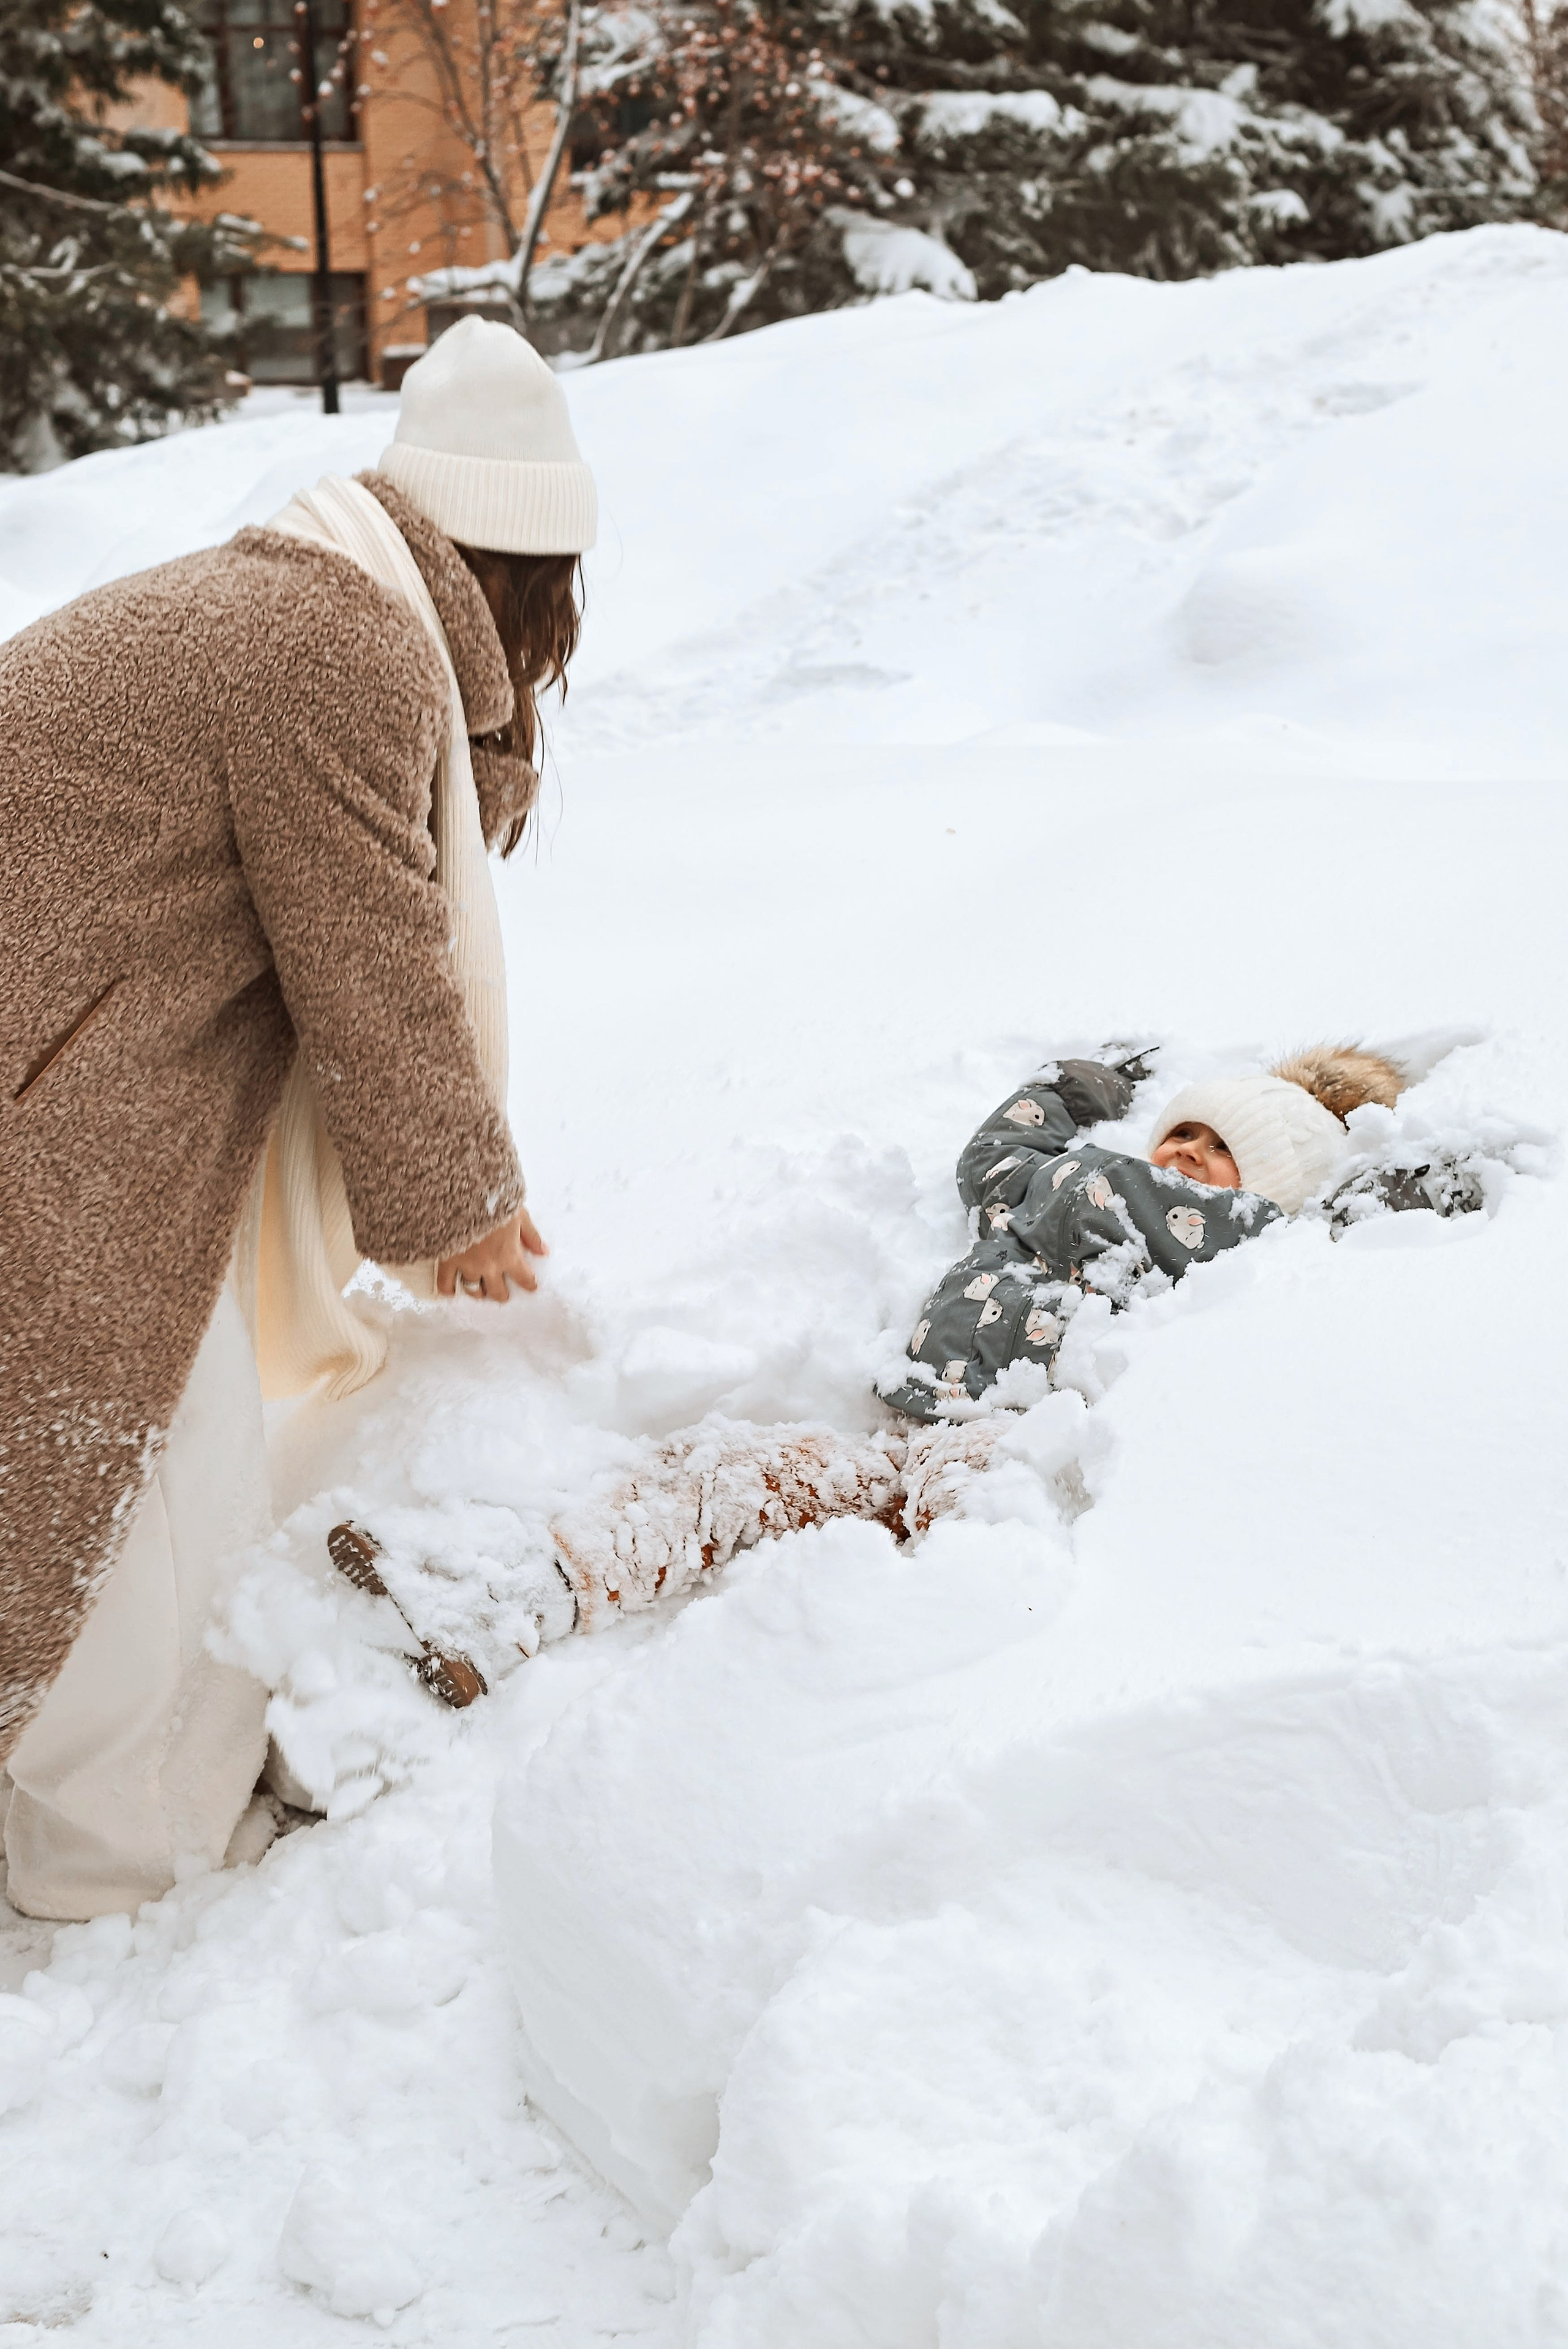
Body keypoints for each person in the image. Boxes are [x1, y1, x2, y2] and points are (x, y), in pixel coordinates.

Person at [0, 317, 595, 1920]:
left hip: (67, 1051)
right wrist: (458, 1200)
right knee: (138, 1483)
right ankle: (110, 1869)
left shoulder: (311, 597)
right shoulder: (334, 642)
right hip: (54, 1086)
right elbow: (370, 960)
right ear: (530, 579)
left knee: (107, 1466)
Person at [542, 1042, 1480, 1623]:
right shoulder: (1058, 1178)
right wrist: (1074, 1089)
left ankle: (894, 1684)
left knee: (966, 1548)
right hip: (911, 1422)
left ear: (1264, 1184)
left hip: (1008, 1439)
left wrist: (1399, 1183)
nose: (1189, 1152)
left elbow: (1324, 1247)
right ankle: (548, 1586)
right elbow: (994, 1156)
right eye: (1185, 1132)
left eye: (1222, 1150)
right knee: (732, 1474)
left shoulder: (1240, 1241)